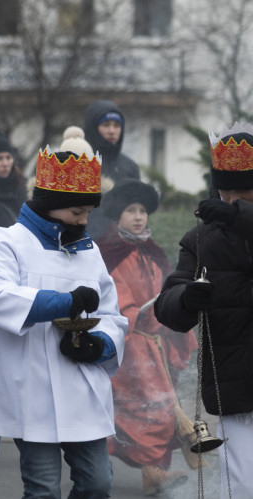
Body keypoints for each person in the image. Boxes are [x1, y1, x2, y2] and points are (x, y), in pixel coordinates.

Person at [0, 145, 127, 499]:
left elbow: (113, 316)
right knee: (42, 489)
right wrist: (65, 303)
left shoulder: (90, 251)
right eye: (77, 211)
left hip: (81, 390)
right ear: (50, 204)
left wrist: (98, 344)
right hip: (31, 389)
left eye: (88, 211)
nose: (84, 220)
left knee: (97, 482)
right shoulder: (8, 242)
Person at [155, 121, 253, 498]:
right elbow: (169, 304)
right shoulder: (200, 239)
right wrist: (185, 300)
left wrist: (239, 218)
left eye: (245, 191)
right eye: (227, 191)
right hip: (233, 384)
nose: (233, 199)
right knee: (242, 485)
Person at [96, 179, 194, 495]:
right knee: (147, 408)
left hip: (158, 342)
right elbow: (115, 299)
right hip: (132, 342)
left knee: (161, 407)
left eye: (142, 210)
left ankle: (154, 473)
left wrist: (177, 323)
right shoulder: (107, 253)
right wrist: (137, 315)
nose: (138, 217)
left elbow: (166, 290)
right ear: (117, 215)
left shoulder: (154, 252)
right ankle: (146, 469)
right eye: (130, 210)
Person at [83, 100, 140, 185]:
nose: (112, 131)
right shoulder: (79, 162)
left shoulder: (130, 167)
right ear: (93, 127)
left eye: (116, 125)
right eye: (106, 125)